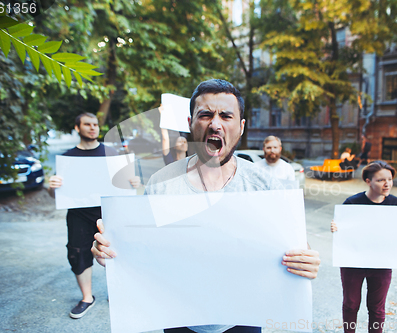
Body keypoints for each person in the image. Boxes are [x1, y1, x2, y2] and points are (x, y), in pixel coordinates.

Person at [92, 79, 321, 333]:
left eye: (226, 115)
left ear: (241, 126)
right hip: (179, 318)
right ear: (190, 123)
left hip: (244, 318)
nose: (215, 123)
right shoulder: (162, 184)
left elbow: (295, 247)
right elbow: (139, 248)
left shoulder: (264, 186)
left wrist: (306, 260)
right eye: (205, 115)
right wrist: (111, 252)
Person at [48, 113, 140, 319]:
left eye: (96, 125)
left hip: (109, 212)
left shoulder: (113, 154)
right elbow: (57, 193)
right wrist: (52, 187)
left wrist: (134, 183)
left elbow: (127, 184)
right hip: (78, 215)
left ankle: (115, 294)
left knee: (113, 253)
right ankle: (87, 298)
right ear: (77, 128)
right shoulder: (68, 158)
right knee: (78, 253)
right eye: (87, 124)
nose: (93, 128)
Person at [330, 161, 397, 333]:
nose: (387, 184)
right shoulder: (352, 203)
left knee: (377, 308)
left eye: (390, 179)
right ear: (368, 181)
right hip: (353, 263)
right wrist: (337, 228)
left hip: (382, 264)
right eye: (381, 180)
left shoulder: (396, 204)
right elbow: (343, 231)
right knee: (351, 305)